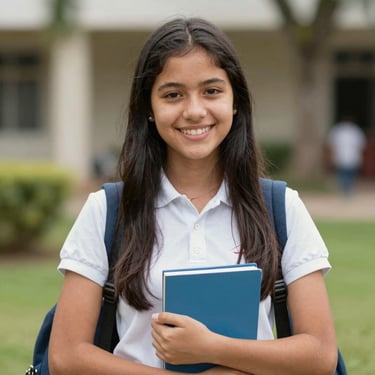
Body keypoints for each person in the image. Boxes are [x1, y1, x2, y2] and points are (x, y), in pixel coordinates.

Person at [49, 17, 338, 375]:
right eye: (173, 95)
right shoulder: (107, 211)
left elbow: (320, 354)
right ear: (150, 110)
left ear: (235, 102)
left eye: (212, 91)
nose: (195, 110)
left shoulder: (280, 207)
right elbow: (66, 355)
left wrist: (210, 348)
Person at [328, 116, 366, 196]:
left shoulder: (340, 130)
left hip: (349, 156)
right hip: (345, 156)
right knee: (345, 174)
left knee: (347, 174)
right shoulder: (354, 130)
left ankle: (347, 190)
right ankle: (346, 190)